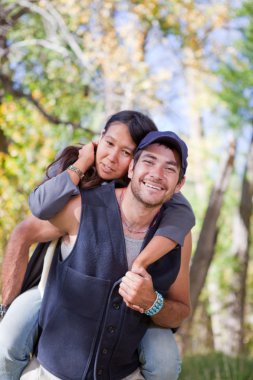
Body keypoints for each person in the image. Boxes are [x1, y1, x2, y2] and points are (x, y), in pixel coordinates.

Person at [0, 112, 194, 379]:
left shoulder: (167, 204)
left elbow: (184, 216)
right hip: (50, 286)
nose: (112, 157)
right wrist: (5, 306)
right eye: (109, 143)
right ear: (99, 139)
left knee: (165, 362)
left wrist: (144, 279)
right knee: (7, 342)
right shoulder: (77, 181)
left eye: (125, 151)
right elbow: (33, 216)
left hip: (133, 312)